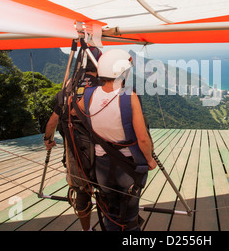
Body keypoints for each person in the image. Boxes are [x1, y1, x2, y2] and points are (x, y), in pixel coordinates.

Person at [76, 48, 157, 231]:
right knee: (128, 216)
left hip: (101, 166)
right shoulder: (128, 96)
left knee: (110, 211)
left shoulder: (89, 95)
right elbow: (142, 137)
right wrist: (150, 160)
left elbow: (74, 111)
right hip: (127, 165)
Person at [43, 46, 101, 231]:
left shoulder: (68, 89)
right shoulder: (103, 86)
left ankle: (87, 229)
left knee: (82, 195)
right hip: (102, 151)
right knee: (109, 192)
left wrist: (47, 139)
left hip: (75, 152)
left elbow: (53, 120)